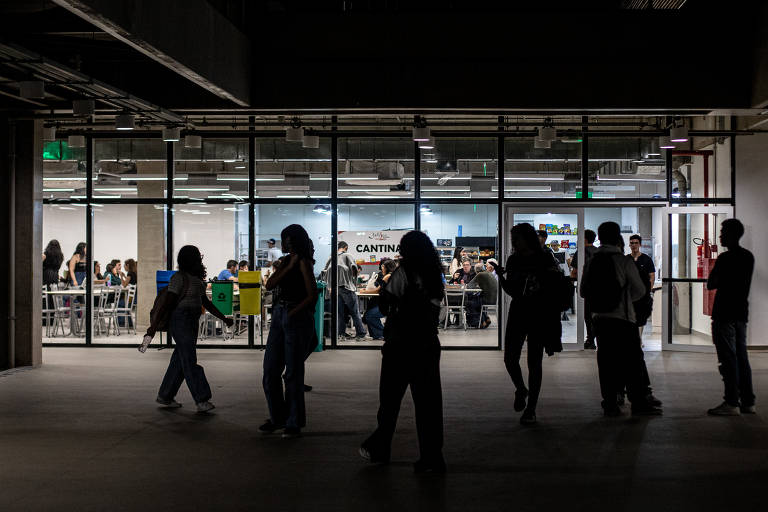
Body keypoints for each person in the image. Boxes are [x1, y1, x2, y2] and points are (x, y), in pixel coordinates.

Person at [360, 230, 446, 473]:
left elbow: (386, 305)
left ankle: (380, 448)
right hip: (427, 344)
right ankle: (432, 456)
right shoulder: (433, 274)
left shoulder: (403, 272)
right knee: (428, 404)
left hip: (401, 344)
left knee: (389, 401)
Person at [580, 222, 661, 417]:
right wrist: (623, 299)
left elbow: (583, 291)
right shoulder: (623, 261)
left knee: (606, 362)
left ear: (599, 237)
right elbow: (640, 290)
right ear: (619, 238)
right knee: (631, 361)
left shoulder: (591, 261)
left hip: (600, 319)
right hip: (623, 319)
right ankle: (637, 402)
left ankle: (610, 402)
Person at [145, 245, 233, 413]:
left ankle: (165, 395)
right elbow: (167, 303)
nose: (201, 259)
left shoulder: (196, 279)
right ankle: (201, 399)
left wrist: (223, 318)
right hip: (180, 321)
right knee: (189, 361)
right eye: (198, 256)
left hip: (192, 322)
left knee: (180, 360)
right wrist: (153, 326)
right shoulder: (178, 278)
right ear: (192, 259)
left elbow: (206, 303)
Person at [493, 223, 563, 426]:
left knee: (534, 362)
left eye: (517, 238)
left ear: (527, 238)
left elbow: (552, 287)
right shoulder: (514, 259)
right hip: (520, 312)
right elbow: (513, 290)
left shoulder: (543, 258)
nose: (514, 242)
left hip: (539, 314)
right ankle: (522, 389)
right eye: (513, 238)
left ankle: (531, 407)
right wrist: (503, 277)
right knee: (509, 358)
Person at [260, 224, 319, 438]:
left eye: (284, 239)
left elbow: (312, 295)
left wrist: (293, 313)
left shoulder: (304, 262)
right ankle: (278, 418)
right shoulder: (287, 261)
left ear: (291, 241)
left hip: (295, 316)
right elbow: (270, 284)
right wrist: (289, 264)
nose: (281, 243)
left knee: (293, 373)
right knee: (270, 371)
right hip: (279, 314)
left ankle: (293, 422)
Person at [706, 218, 756, 416]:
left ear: (732, 235)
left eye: (723, 232)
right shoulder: (748, 257)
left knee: (728, 359)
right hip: (740, 313)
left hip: (724, 314)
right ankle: (748, 401)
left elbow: (711, 283)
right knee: (742, 358)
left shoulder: (725, 259)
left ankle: (731, 401)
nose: (720, 236)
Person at [325, 241, 366, 340]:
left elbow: (324, 272)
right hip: (346, 287)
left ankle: (341, 334)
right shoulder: (348, 255)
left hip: (334, 289)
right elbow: (354, 268)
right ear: (346, 247)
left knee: (340, 313)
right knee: (355, 312)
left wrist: (329, 286)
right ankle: (360, 334)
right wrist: (354, 278)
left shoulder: (331, 257)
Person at [570, 229, 598, 349]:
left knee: (587, 315)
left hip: (586, 288)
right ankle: (594, 339)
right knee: (597, 315)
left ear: (585, 239)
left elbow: (575, 272)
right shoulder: (598, 252)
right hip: (600, 289)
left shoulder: (580, 252)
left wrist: (570, 279)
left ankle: (590, 340)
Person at [360, 259, 397, 340]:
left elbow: (377, 290)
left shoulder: (387, 276)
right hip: (389, 303)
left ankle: (381, 334)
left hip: (388, 305)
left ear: (387, 267)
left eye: (383, 267)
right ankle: (376, 335)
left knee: (370, 315)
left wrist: (365, 292)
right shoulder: (393, 275)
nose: (381, 268)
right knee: (368, 314)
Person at [628, 234, 655, 339]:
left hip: (642, 294)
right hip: (629, 294)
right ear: (629, 245)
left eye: (636, 243)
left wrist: (649, 290)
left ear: (640, 244)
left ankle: (638, 339)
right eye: (632, 243)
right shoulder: (626, 259)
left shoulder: (646, 259)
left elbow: (652, 276)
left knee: (640, 317)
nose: (634, 245)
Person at [467, 262, 497, 329]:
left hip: (487, 300)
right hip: (495, 300)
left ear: (476, 270)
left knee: (471, 303)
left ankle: (480, 322)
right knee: (477, 301)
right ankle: (486, 318)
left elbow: (469, 286)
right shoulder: (489, 273)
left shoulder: (479, 274)